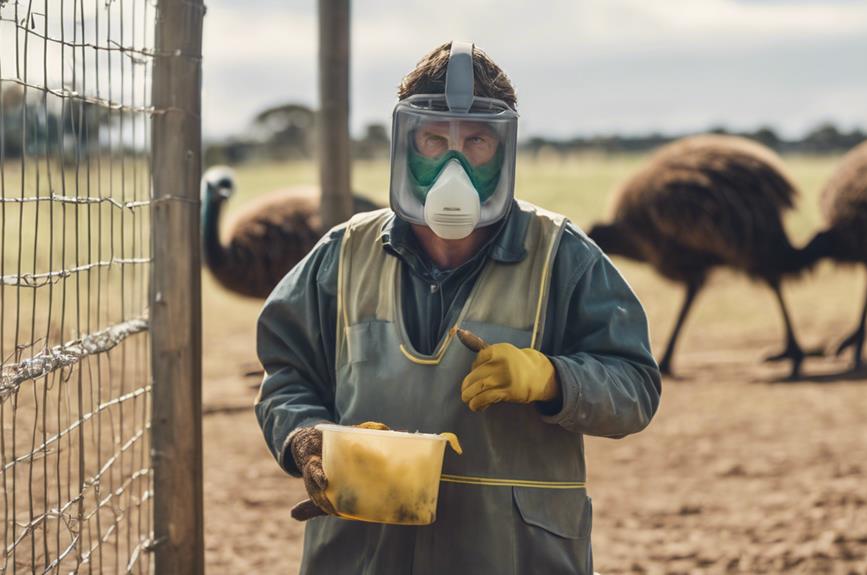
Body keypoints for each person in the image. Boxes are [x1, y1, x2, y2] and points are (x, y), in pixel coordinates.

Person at [255, 41, 661, 575]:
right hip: (366, 556)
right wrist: (306, 439)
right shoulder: (343, 253)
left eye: (477, 140)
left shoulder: (563, 255)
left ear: (505, 149)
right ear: (406, 144)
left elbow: (636, 387)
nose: (454, 162)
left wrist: (554, 380)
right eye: (433, 139)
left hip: (514, 556)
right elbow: (287, 374)